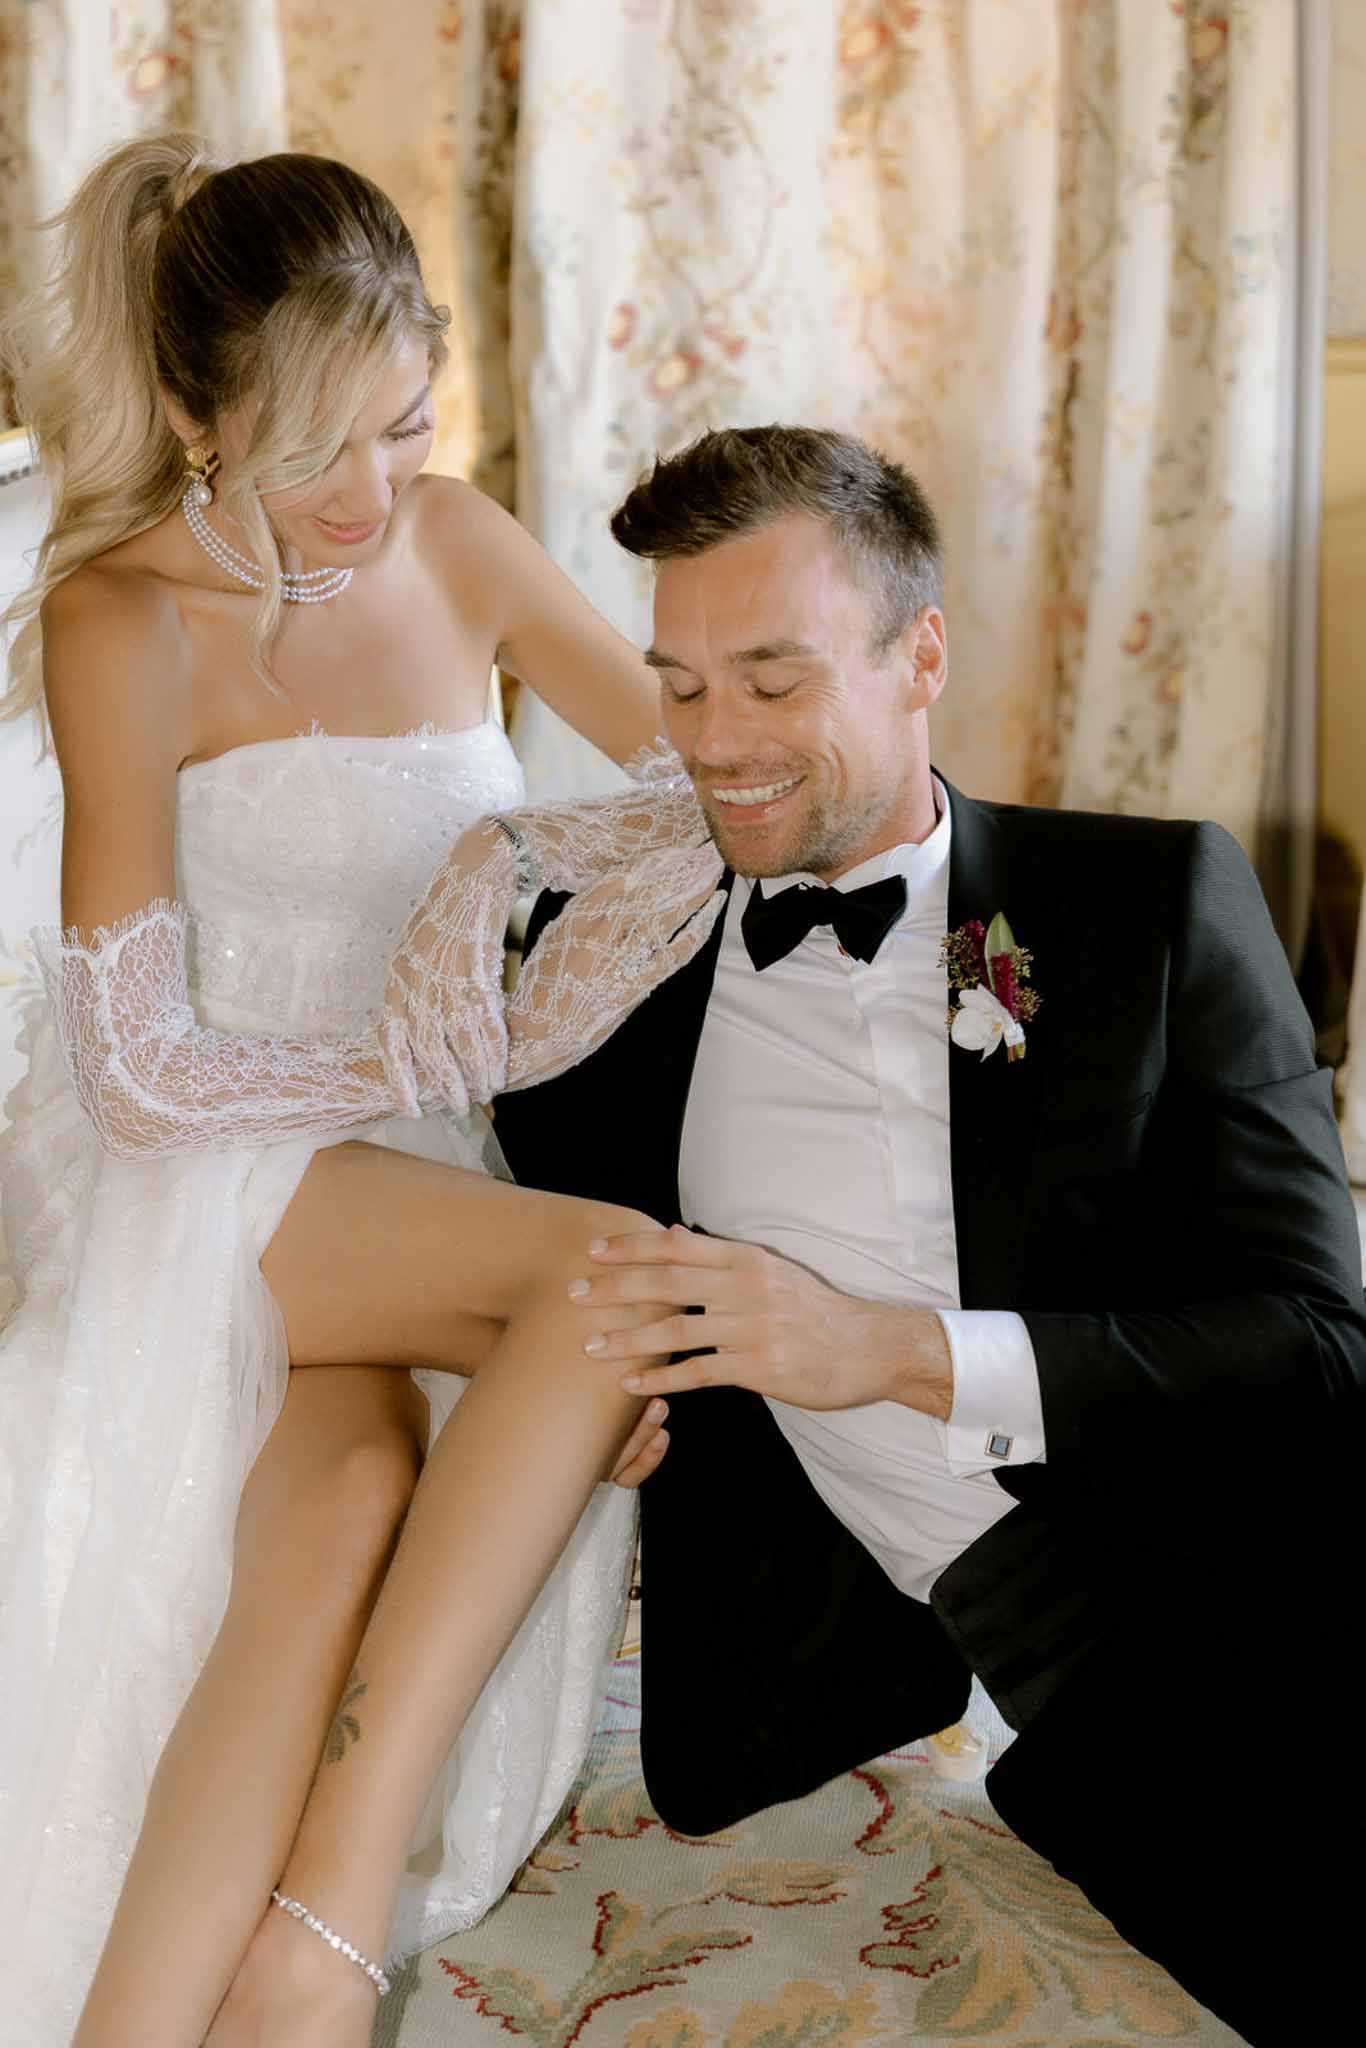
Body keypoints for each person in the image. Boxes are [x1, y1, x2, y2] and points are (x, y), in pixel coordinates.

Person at [479, 426, 1366, 2047]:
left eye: (772, 678)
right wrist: (576, 1387)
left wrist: (887, 1353)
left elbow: (1320, 1345)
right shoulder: (596, 983)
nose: (714, 743)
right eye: (678, 685)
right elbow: (483, 1241)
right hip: (1058, 1670)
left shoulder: (1143, 907)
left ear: (920, 657)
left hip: (1269, 1544)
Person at [0, 132, 715, 2048]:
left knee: (338, 1516)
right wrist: (389, 1057)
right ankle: (327, 1944)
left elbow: (698, 798)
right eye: (313, 447)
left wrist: (511, 915)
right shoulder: (116, 622)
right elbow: (133, 1067)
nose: (364, 492)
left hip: (405, 1184)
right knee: (607, 1280)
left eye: (400, 426)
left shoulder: (461, 537)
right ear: (188, 415)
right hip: (206, 1178)